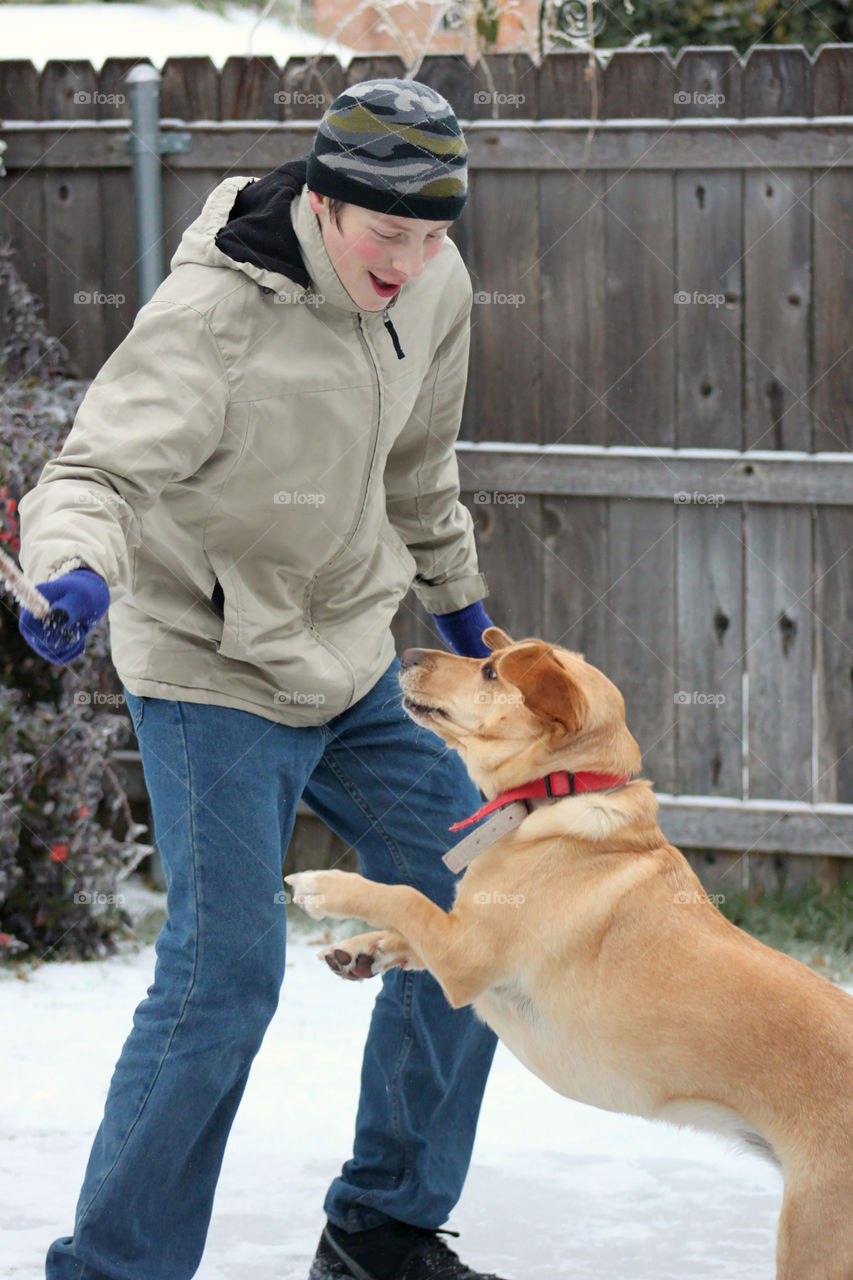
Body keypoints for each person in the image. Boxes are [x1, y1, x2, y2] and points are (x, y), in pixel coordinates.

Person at [18, 79, 511, 1280]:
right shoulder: (214, 316)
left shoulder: (433, 288)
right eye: (387, 234)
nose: (409, 260)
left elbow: (418, 469)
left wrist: (466, 614)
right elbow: (95, 471)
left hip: (346, 663)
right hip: (209, 667)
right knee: (224, 974)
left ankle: (382, 1227)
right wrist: (75, 568)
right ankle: (114, 1267)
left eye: (433, 234)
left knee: (486, 896)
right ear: (325, 204)